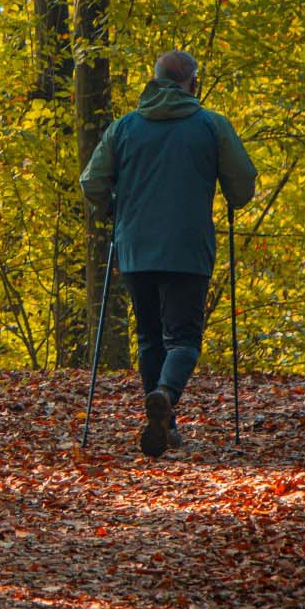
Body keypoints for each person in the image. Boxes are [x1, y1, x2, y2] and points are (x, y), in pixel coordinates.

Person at [79, 50, 257, 457]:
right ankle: (165, 395)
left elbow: (92, 182)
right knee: (184, 339)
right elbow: (242, 183)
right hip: (187, 247)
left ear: (155, 80)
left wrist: (112, 207)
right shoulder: (211, 125)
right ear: (192, 82)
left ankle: (164, 424)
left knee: (149, 338)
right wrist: (230, 195)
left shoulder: (125, 127)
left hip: (135, 247)